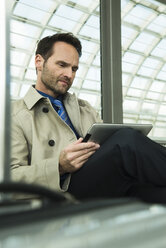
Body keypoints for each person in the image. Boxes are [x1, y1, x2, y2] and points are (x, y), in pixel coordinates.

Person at [11, 32, 166, 203]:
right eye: (62, 65)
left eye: (74, 69)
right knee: (126, 140)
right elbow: (9, 178)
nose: (69, 74)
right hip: (63, 192)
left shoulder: (84, 108)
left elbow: (107, 153)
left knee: (156, 193)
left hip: (105, 183)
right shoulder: (14, 115)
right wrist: (59, 166)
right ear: (39, 62)